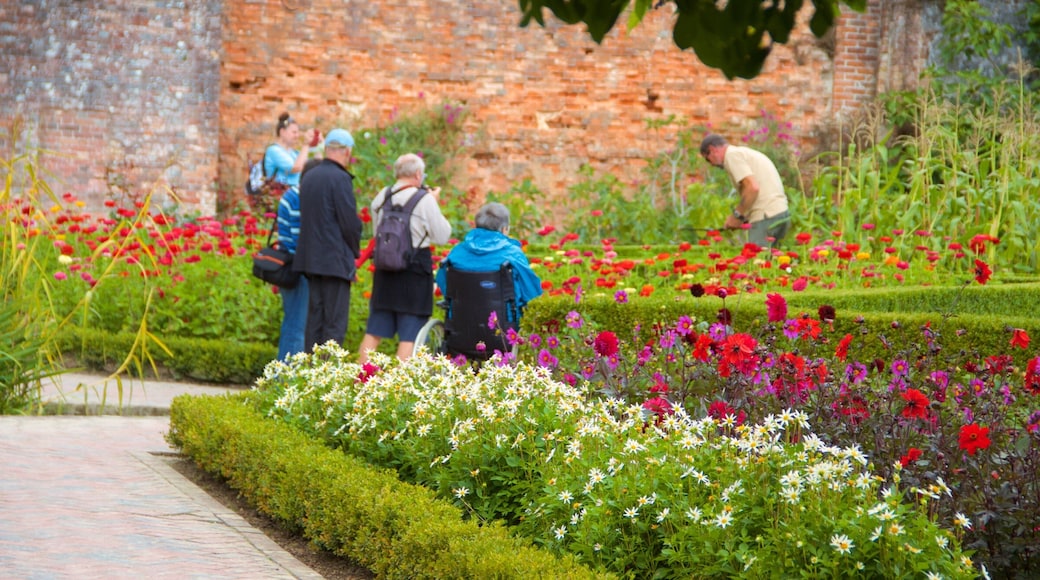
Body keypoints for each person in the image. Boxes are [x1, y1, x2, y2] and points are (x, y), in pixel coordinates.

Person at [357, 154, 452, 364]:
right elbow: (442, 235)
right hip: (414, 273)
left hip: (385, 272)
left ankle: (360, 381)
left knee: (374, 331)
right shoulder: (424, 199)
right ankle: (397, 389)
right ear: (418, 174)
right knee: (410, 334)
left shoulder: (382, 196)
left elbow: (376, 233)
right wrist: (433, 202)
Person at [293, 128, 362, 353]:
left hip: (311, 259)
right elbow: (349, 223)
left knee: (315, 320)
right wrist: (354, 251)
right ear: (346, 151)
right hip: (334, 260)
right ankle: (328, 376)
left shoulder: (310, 175)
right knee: (334, 324)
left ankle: (310, 374)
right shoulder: (340, 178)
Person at [435, 201, 543, 321]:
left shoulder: (457, 252)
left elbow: (443, 282)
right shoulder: (512, 254)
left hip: (462, 323)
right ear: (504, 229)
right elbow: (532, 292)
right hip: (504, 325)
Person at [700, 133, 790, 248]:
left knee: (756, 262)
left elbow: (752, 187)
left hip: (765, 215)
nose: (711, 164)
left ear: (712, 150)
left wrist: (737, 216)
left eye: (708, 160)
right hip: (781, 212)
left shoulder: (731, 156)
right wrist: (745, 218)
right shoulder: (744, 153)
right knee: (772, 263)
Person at [274, 158, 321, 361]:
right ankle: (286, 379)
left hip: (288, 265)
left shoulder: (290, 194)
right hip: (298, 268)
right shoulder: (301, 198)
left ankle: (282, 375)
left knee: (292, 322)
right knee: (298, 327)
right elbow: (299, 239)